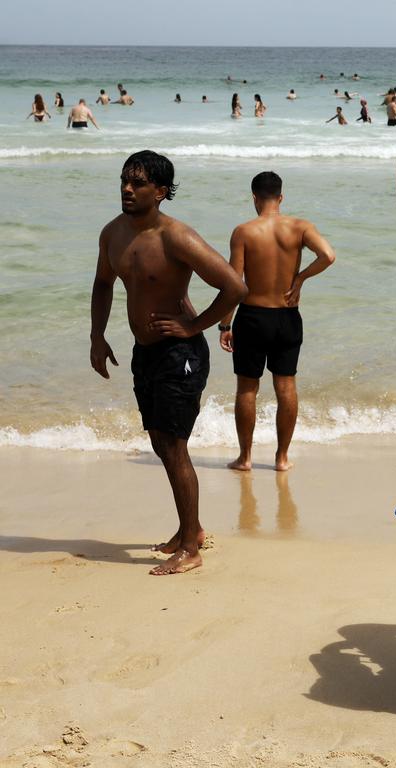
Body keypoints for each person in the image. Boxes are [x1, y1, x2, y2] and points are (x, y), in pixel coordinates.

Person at [90, 150, 248, 574]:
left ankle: (191, 550)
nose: (127, 188)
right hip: (146, 352)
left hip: (181, 355)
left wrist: (194, 326)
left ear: (160, 192)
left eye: (138, 183)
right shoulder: (113, 235)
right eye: (124, 180)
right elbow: (103, 283)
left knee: (174, 447)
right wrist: (97, 335)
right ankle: (188, 531)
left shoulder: (176, 237)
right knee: (161, 443)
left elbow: (235, 286)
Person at [218, 171, 335, 473]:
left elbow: (234, 282)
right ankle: (281, 458)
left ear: (254, 198)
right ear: (281, 197)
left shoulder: (243, 231)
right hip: (287, 315)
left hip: (253, 316)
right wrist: (301, 277)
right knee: (285, 386)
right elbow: (328, 255)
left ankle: (245, 458)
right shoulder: (299, 227)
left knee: (247, 388)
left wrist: (225, 324)